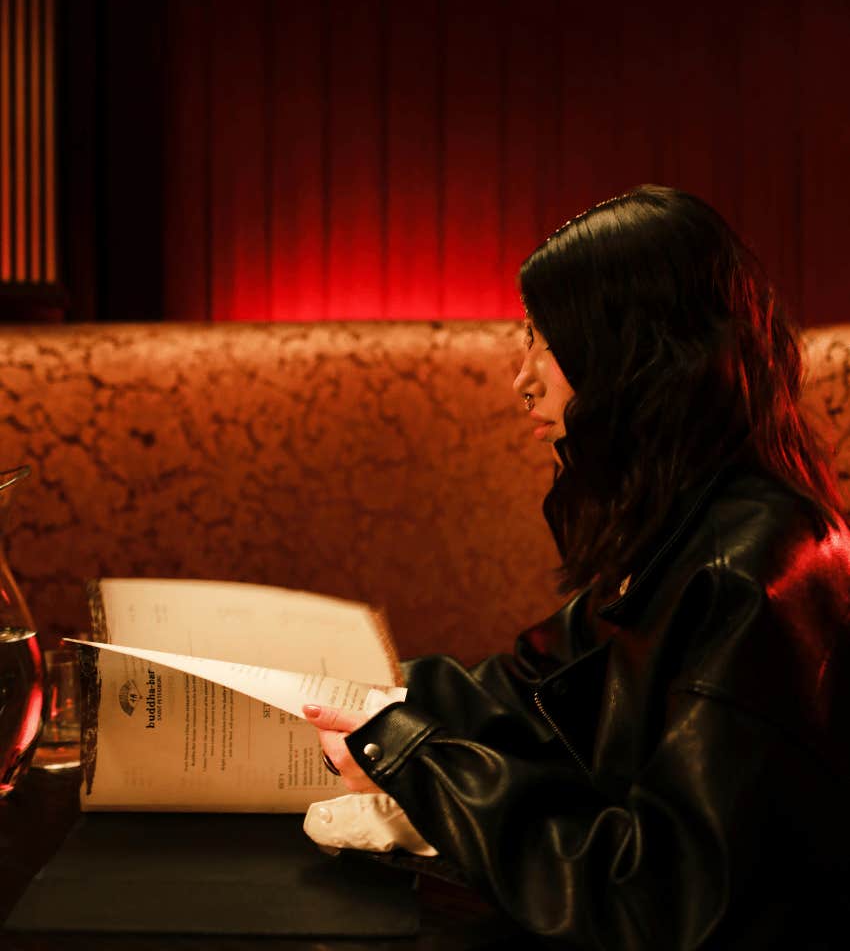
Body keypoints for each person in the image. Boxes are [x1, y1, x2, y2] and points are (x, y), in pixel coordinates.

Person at [303, 185, 850, 949]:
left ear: (630, 350)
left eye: (545, 342)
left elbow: (659, 898)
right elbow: (543, 687)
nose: (521, 379)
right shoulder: (688, 518)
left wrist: (411, 757)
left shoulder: (749, 572)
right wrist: (353, 697)